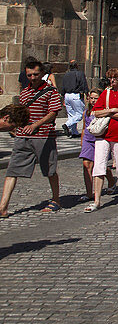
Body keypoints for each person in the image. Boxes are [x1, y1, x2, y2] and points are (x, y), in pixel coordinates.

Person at [0, 58, 67, 216]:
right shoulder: (25, 92)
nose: (32, 78)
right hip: (23, 137)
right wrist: (15, 127)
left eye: (35, 74)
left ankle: (56, 199)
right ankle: (3, 207)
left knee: (50, 170)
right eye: (29, 75)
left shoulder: (51, 92)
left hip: (44, 136)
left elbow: (53, 113)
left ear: (42, 73)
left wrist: (36, 125)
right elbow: (21, 113)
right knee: (12, 171)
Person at [86, 67, 118, 211]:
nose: (112, 80)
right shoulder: (106, 93)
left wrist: (107, 113)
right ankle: (97, 201)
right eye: (110, 78)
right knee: (99, 166)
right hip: (103, 135)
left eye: (115, 77)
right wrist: (112, 110)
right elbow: (96, 112)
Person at [58, 60, 88, 138]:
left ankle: (74, 132)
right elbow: (83, 84)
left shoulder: (66, 74)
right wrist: (87, 93)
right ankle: (67, 125)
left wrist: (63, 96)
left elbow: (63, 86)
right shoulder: (80, 74)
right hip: (76, 95)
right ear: (77, 66)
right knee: (80, 114)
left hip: (67, 95)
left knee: (72, 115)